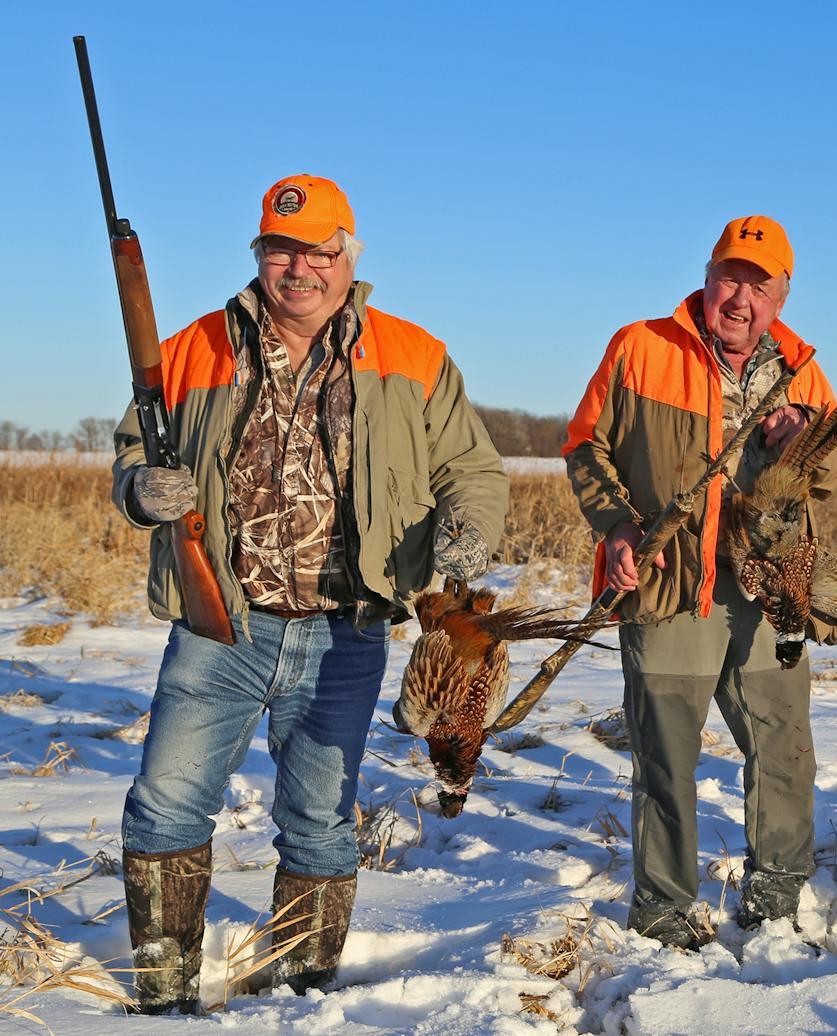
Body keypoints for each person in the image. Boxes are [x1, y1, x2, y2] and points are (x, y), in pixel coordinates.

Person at [111, 174, 507, 1012]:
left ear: (346, 257)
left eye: (319, 251)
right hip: (221, 623)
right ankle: (161, 987)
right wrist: (141, 490)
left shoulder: (414, 355)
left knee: (321, 816)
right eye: (282, 249)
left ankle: (301, 992)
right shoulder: (192, 348)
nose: (301, 268)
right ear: (261, 255)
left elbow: (470, 470)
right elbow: (128, 453)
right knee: (167, 803)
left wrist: (465, 534)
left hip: (347, 629)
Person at [564, 216, 837, 949]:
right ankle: (664, 909)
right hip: (668, 589)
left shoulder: (801, 370)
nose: (741, 298)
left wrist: (804, 441)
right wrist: (619, 526)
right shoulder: (641, 347)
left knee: (783, 745)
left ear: (782, 296)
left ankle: (778, 896)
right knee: (668, 755)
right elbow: (584, 446)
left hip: (768, 589)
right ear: (707, 276)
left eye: (761, 286)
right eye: (731, 277)